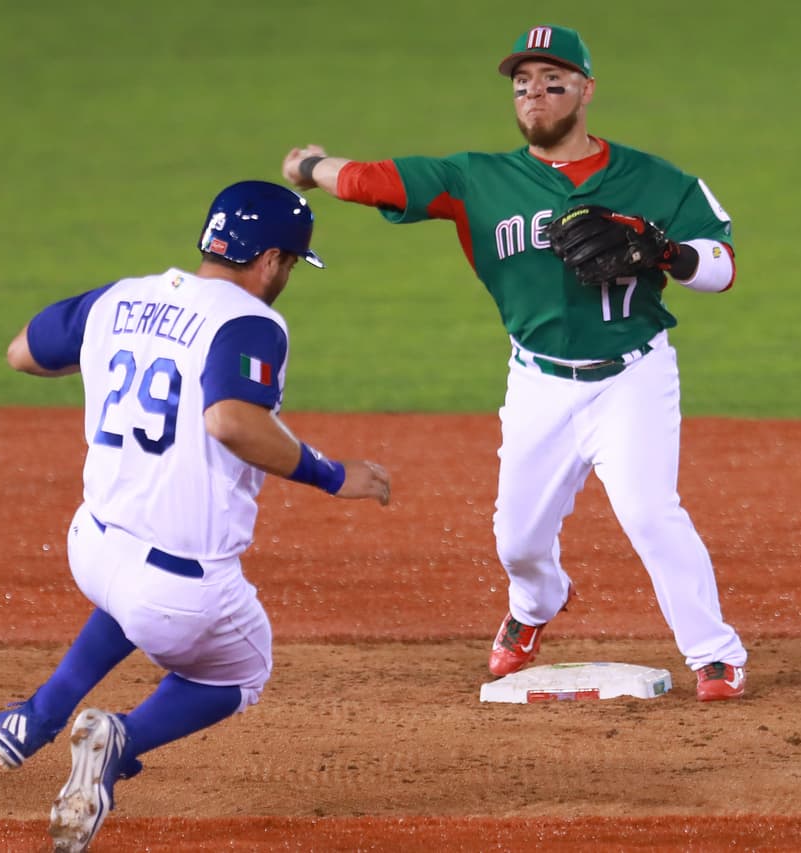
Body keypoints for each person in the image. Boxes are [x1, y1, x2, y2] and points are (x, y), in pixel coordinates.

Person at [281, 24, 747, 701]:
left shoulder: (656, 181)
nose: (535, 93)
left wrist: (668, 253)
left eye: (553, 81)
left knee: (650, 512)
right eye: (523, 83)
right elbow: (368, 180)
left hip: (633, 377)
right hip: (538, 383)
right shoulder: (479, 179)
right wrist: (308, 169)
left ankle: (716, 654)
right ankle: (534, 608)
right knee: (517, 541)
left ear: (585, 91)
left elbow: (725, 265)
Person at [0, 180, 391, 852]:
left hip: (91, 545)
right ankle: (120, 739)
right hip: (179, 591)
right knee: (240, 670)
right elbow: (231, 421)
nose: (286, 276)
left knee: (132, 584)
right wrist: (334, 474)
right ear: (271, 261)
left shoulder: (121, 296)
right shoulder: (252, 321)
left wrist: (109, 349)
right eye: (289, 263)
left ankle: (38, 715)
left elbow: (23, 352)